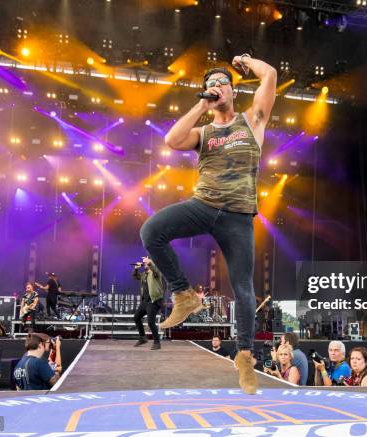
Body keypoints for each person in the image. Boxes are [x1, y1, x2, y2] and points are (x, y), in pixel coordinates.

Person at [139, 54, 277, 395]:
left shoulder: (253, 120)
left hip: (238, 214)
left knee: (243, 287)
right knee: (151, 231)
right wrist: (201, 106)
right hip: (203, 204)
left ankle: (244, 356)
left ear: (233, 90)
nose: (216, 88)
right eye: (211, 85)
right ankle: (184, 294)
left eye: (222, 83)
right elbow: (171, 141)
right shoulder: (204, 131)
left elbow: (270, 74)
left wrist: (246, 60)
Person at [132, 257, 164, 350]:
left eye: (146, 263)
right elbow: (135, 276)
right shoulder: (144, 274)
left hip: (154, 301)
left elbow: (156, 271)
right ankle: (142, 338)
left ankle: (157, 343)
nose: (144, 264)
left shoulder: (156, 273)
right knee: (136, 317)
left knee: (150, 322)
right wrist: (136, 269)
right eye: (144, 263)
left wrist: (150, 262)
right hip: (145, 301)